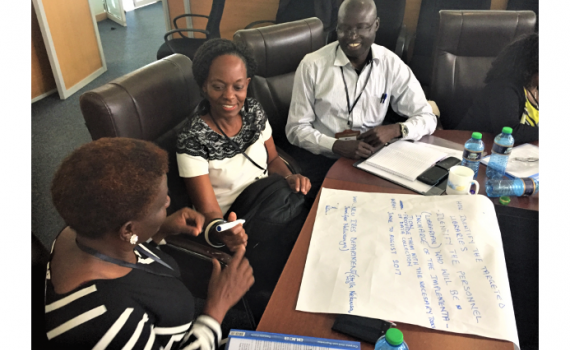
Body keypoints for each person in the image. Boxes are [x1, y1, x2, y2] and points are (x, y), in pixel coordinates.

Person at [45, 137, 254, 349]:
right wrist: (216, 309)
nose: (168, 202)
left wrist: (160, 228)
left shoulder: (83, 229)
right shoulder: (106, 322)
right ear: (128, 229)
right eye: (161, 203)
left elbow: (127, 250)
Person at [176, 39, 311, 302]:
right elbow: (209, 212)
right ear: (204, 86)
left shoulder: (253, 111)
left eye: (238, 87)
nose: (229, 96)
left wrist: (289, 177)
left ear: (247, 83)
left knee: (311, 240)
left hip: (273, 206)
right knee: (295, 268)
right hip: (238, 226)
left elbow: (272, 161)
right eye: (218, 86)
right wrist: (225, 231)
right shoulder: (193, 138)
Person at [285, 0, 436, 198]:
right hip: (323, 159)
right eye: (344, 28)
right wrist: (335, 145)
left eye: (361, 27)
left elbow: (427, 117)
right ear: (337, 27)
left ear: (376, 25)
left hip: (373, 158)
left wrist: (396, 129)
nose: (352, 36)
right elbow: (295, 129)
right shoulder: (312, 65)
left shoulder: (390, 64)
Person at [456, 33, 539, 144]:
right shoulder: (504, 89)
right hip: (476, 149)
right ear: (531, 68)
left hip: (522, 151)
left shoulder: (536, 88)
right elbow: (510, 132)